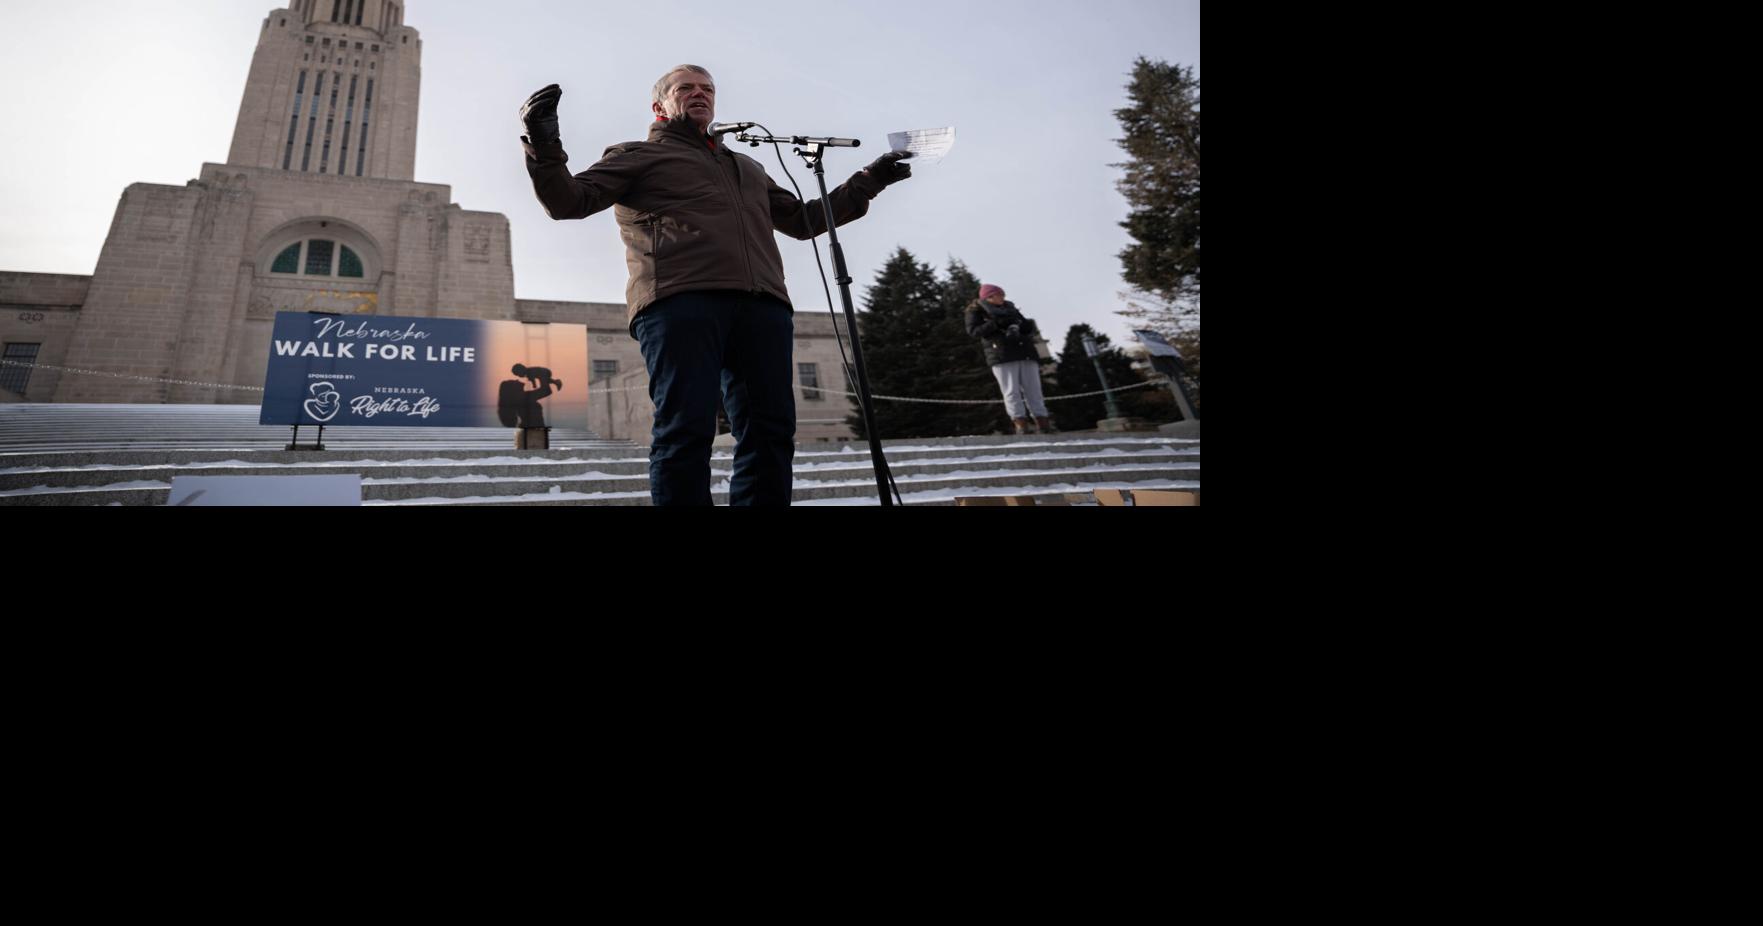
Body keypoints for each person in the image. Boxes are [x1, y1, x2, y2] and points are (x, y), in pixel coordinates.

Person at [518, 66, 913, 505]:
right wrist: (543, 140)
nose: (699, 94)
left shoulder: (747, 166)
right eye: (685, 88)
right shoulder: (638, 155)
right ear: (659, 106)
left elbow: (805, 221)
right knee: (686, 428)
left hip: (762, 305)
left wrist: (869, 180)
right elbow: (568, 201)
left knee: (770, 432)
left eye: (707, 88)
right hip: (680, 302)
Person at [965, 284, 1053, 434]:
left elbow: (1026, 327)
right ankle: (1020, 423)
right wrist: (995, 324)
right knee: (1011, 391)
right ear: (989, 297)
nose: (1002, 298)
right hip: (1001, 354)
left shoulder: (1010, 308)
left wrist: (1023, 325)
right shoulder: (977, 311)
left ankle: (1042, 421)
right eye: (999, 295)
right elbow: (974, 331)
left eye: (1003, 295)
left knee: (1034, 389)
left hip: (1024, 351)